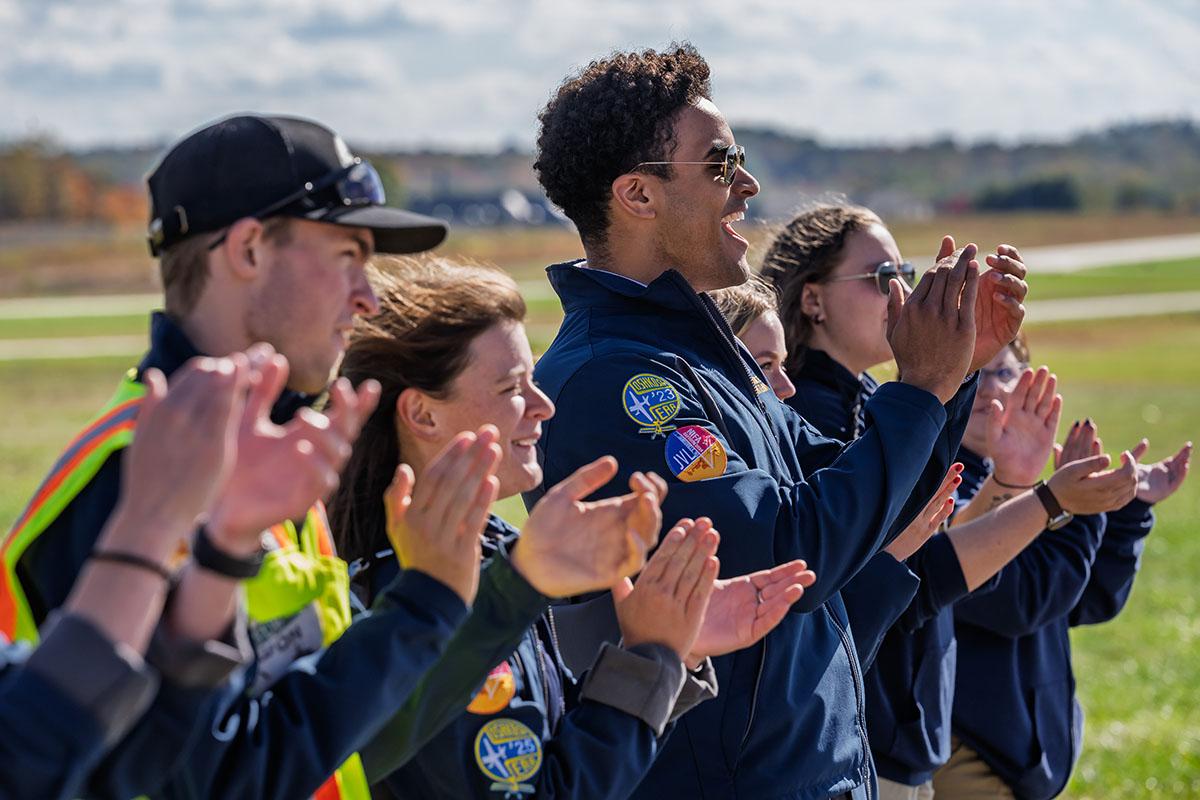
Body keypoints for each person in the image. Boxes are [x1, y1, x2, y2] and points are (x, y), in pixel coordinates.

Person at [526, 43, 1029, 799]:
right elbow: (791, 552)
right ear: (637, 195)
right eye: (721, 164)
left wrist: (950, 372)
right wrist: (920, 386)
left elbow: (875, 498)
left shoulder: (697, 353)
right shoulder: (614, 378)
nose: (749, 186)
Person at [0, 112, 539, 799]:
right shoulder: (136, 477)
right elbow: (223, 778)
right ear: (249, 249)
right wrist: (427, 602)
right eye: (348, 256)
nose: (368, 297)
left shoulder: (266, 458)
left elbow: (321, 740)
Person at [329, 257, 815, 798]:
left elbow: (552, 743)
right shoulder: (422, 588)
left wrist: (670, 649)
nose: (542, 405)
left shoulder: (491, 552)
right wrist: (651, 657)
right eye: (513, 387)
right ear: (422, 414)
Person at [761, 204, 1146, 799]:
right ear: (812, 301)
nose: (903, 290)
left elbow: (928, 537)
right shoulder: (811, 413)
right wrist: (1047, 500)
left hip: (898, 741)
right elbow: (908, 567)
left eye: (906, 271)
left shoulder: (875, 400)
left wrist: (966, 384)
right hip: (856, 738)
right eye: (880, 275)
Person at [933, 340, 1192, 800]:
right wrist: (1075, 509)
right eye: (975, 372)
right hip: (969, 749)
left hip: (1028, 752)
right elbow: (1019, 602)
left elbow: (1087, 600)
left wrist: (1127, 512)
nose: (992, 388)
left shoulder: (1026, 478)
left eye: (1007, 372)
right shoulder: (938, 484)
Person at [0, 357, 254, 800]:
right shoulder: (116, 469)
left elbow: (112, 765)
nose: (361, 297)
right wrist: (148, 526)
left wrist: (224, 553)